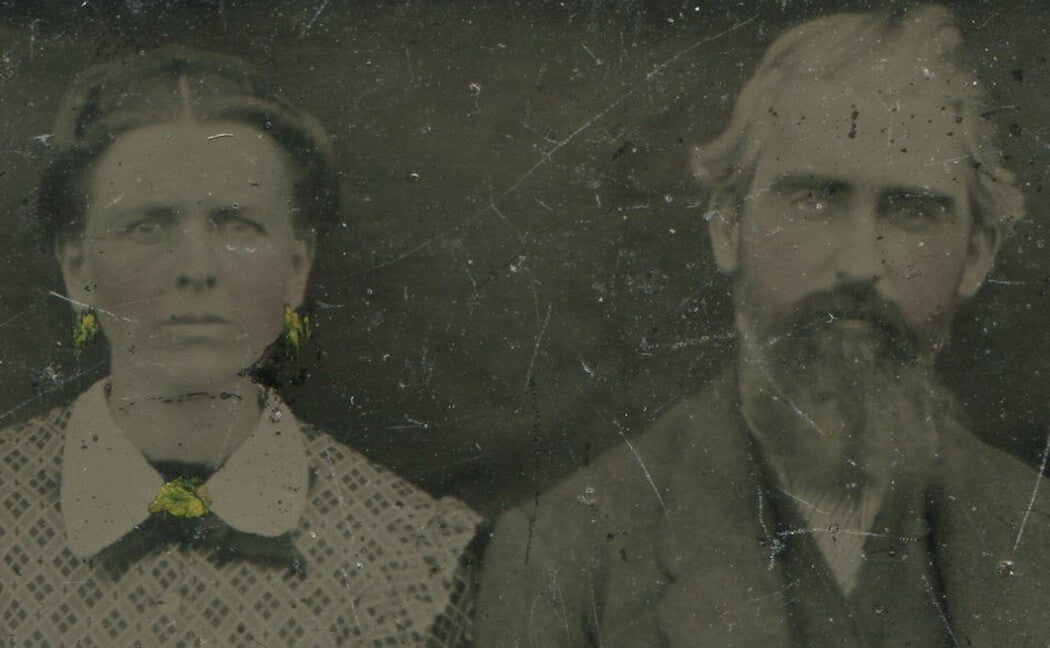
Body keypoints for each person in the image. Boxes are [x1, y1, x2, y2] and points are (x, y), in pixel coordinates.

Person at [476, 6, 1050, 647]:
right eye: (814, 201)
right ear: (728, 229)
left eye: (913, 211)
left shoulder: (1037, 536)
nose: (860, 264)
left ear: (977, 254)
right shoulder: (566, 555)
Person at [0, 48, 481, 647]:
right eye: (146, 226)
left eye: (238, 226)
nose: (196, 269)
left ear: (297, 267)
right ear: (77, 269)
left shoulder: (411, 560)